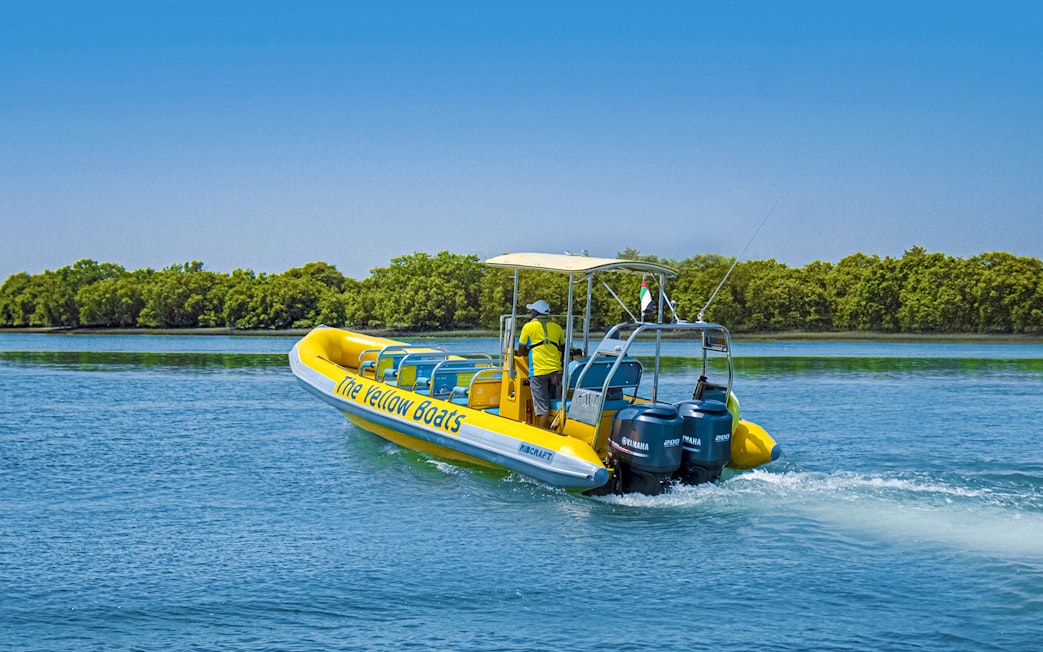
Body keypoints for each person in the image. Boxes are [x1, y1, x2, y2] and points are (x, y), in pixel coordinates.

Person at [516, 299, 565, 430]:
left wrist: (529, 350)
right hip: (556, 371)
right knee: (558, 405)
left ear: (536, 312)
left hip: (538, 372)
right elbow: (563, 348)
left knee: (543, 410)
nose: (531, 313)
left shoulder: (528, 327)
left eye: (532, 310)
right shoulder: (557, 327)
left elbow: (520, 350)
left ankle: (545, 436)